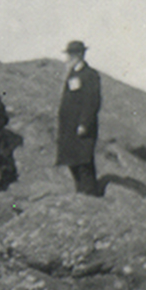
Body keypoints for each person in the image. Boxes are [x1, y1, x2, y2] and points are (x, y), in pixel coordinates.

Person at [56, 40, 102, 196]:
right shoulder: (72, 74)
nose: (68, 58)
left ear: (79, 55)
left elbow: (92, 102)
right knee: (72, 160)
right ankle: (81, 191)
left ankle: (89, 193)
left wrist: (84, 123)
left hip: (81, 126)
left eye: (71, 55)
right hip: (69, 126)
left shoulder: (90, 75)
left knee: (84, 161)